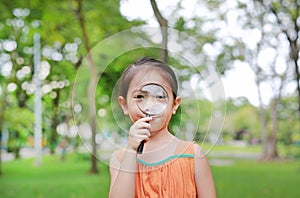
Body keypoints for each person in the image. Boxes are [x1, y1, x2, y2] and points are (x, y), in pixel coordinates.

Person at [109, 57, 216, 198]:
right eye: (140, 96)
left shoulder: (194, 155)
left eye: (160, 96)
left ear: (175, 105)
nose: (149, 106)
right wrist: (131, 151)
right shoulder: (120, 159)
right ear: (124, 105)